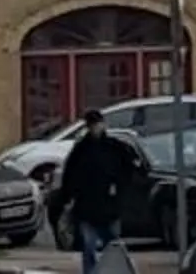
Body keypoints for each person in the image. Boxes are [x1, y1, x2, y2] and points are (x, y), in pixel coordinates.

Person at [53, 109, 142, 274]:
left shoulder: (114, 147)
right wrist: (68, 198)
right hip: (87, 207)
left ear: (103, 124)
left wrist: (120, 189)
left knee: (113, 245)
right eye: (92, 125)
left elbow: (129, 169)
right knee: (89, 246)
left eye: (97, 124)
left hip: (110, 206)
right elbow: (70, 176)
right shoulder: (81, 150)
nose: (95, 128)